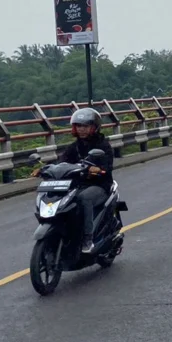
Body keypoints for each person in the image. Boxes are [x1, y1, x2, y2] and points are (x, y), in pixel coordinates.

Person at [33, 107, 115, 253]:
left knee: (84, 199)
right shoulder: (74, 147)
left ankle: (87, 238)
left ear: (94, 127)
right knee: (60, 199)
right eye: (78, 126)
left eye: (85, 126)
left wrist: (97, 169)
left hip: (99, 185)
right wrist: (45, 169)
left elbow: (106, 167)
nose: (81, 129)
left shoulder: (103, 146)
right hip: (77, 185)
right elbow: (62, 162)